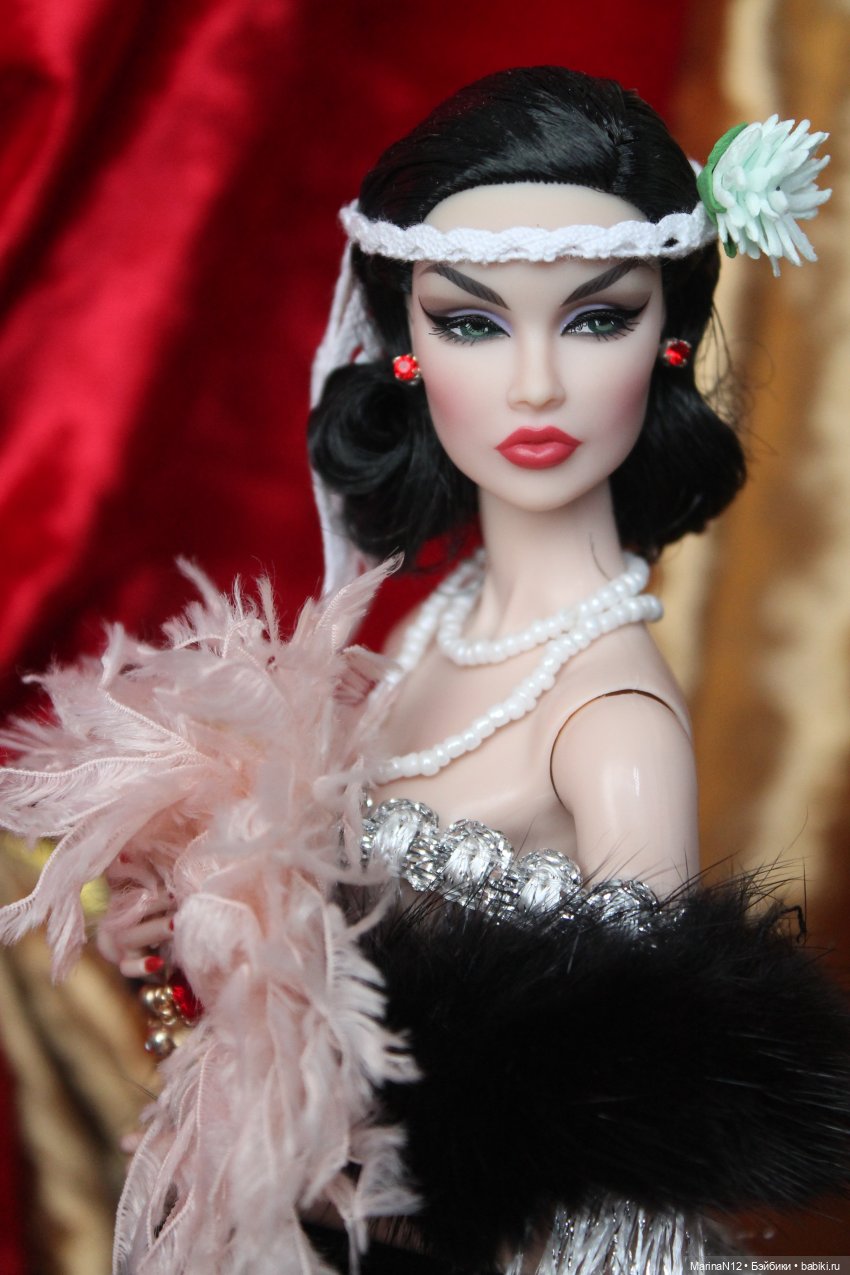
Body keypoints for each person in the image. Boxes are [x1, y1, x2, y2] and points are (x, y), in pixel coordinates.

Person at [1, 66, 848, 1275]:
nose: (536, 384)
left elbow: (629, 1161)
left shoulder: (612, 724)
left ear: (668, 337)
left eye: (596, 318)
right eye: (472, 323)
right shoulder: (434, 628)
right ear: (404, 347)